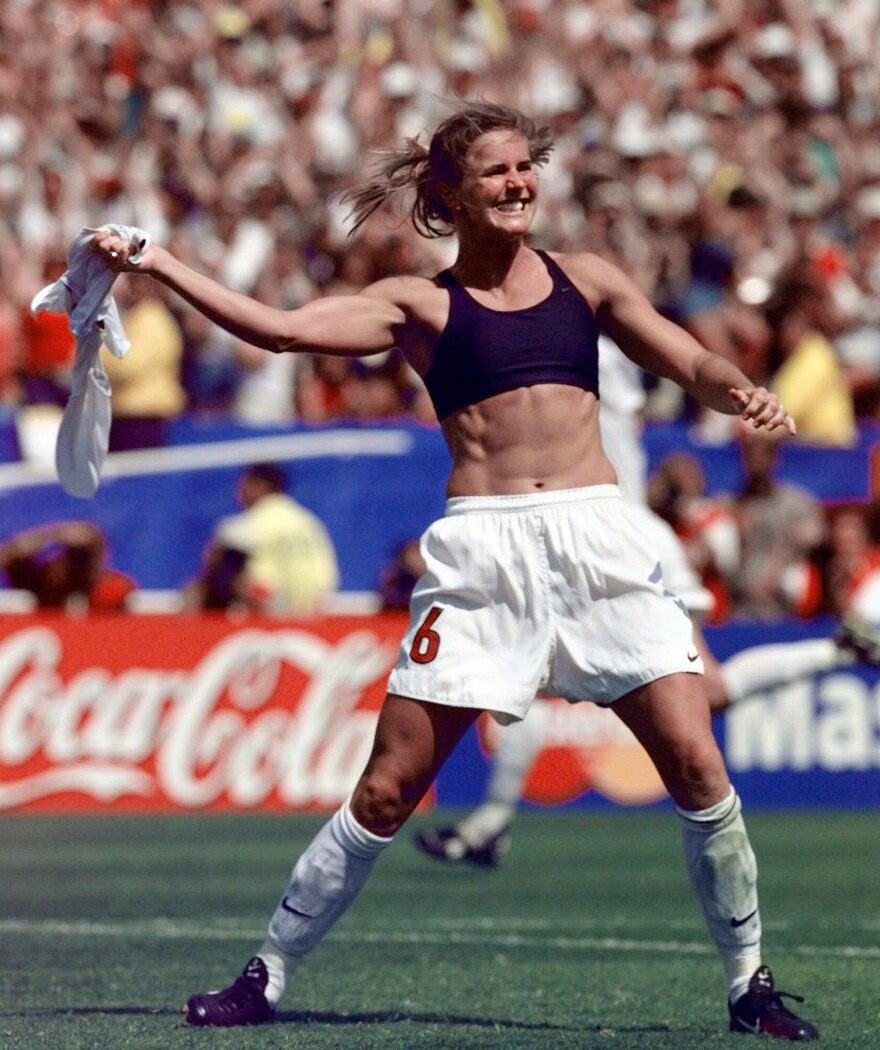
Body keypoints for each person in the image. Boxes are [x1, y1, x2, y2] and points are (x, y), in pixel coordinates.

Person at [90, 100, 817, 1040]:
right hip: (484, 552)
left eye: (526, 168)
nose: (519, 184)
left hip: (599, 541)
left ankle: (749, 985)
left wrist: (740, 392)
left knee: (696, 763)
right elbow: (278, 330)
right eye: (497, 173)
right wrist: (159, 262)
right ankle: (264, 977)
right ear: (452, 195)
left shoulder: (585, 281)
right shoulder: (419, 304)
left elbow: (690, 360)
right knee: (388, 789)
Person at [414, 339, 880, 869]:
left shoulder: (576, 337)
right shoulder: (586, 336)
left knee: (696, 690)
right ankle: (490, 822)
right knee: (538, 676)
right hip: (597, 533)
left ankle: (840, 653)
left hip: (608, 536)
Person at [182, 462, 340, 616]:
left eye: (243, 484)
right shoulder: (309, 522)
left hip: (272, 607)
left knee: (205, 582)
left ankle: (201, 635)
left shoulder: (248, 523)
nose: (238, 491)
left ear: (259, 485)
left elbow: (215, 568)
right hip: (316, 608)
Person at [0, 519, 136, 611]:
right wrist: (46, 537)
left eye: (73, 558)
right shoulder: (32, 592)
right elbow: (8, 556)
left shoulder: (110, 589)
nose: (57, 564)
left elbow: (84, 536)